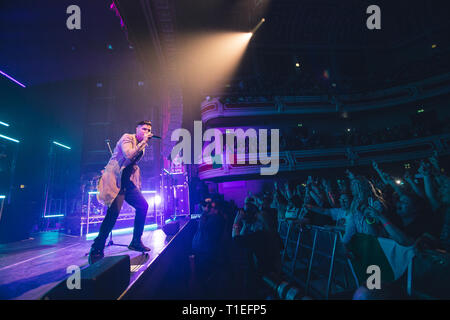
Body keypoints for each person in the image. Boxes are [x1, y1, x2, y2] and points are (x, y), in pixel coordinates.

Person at [88, 121, 154, 264]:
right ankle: (97, 247)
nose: (146, 132)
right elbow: (129, 155)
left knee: (143, 206)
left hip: (126, 182)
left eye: (149, 130)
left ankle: (136, 240)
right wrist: (143, 143)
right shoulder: (127, 138)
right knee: (113, 215)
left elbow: (133, 164)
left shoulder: (142, 144)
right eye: (144, 129)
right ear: (137, 129)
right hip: (115, 179)